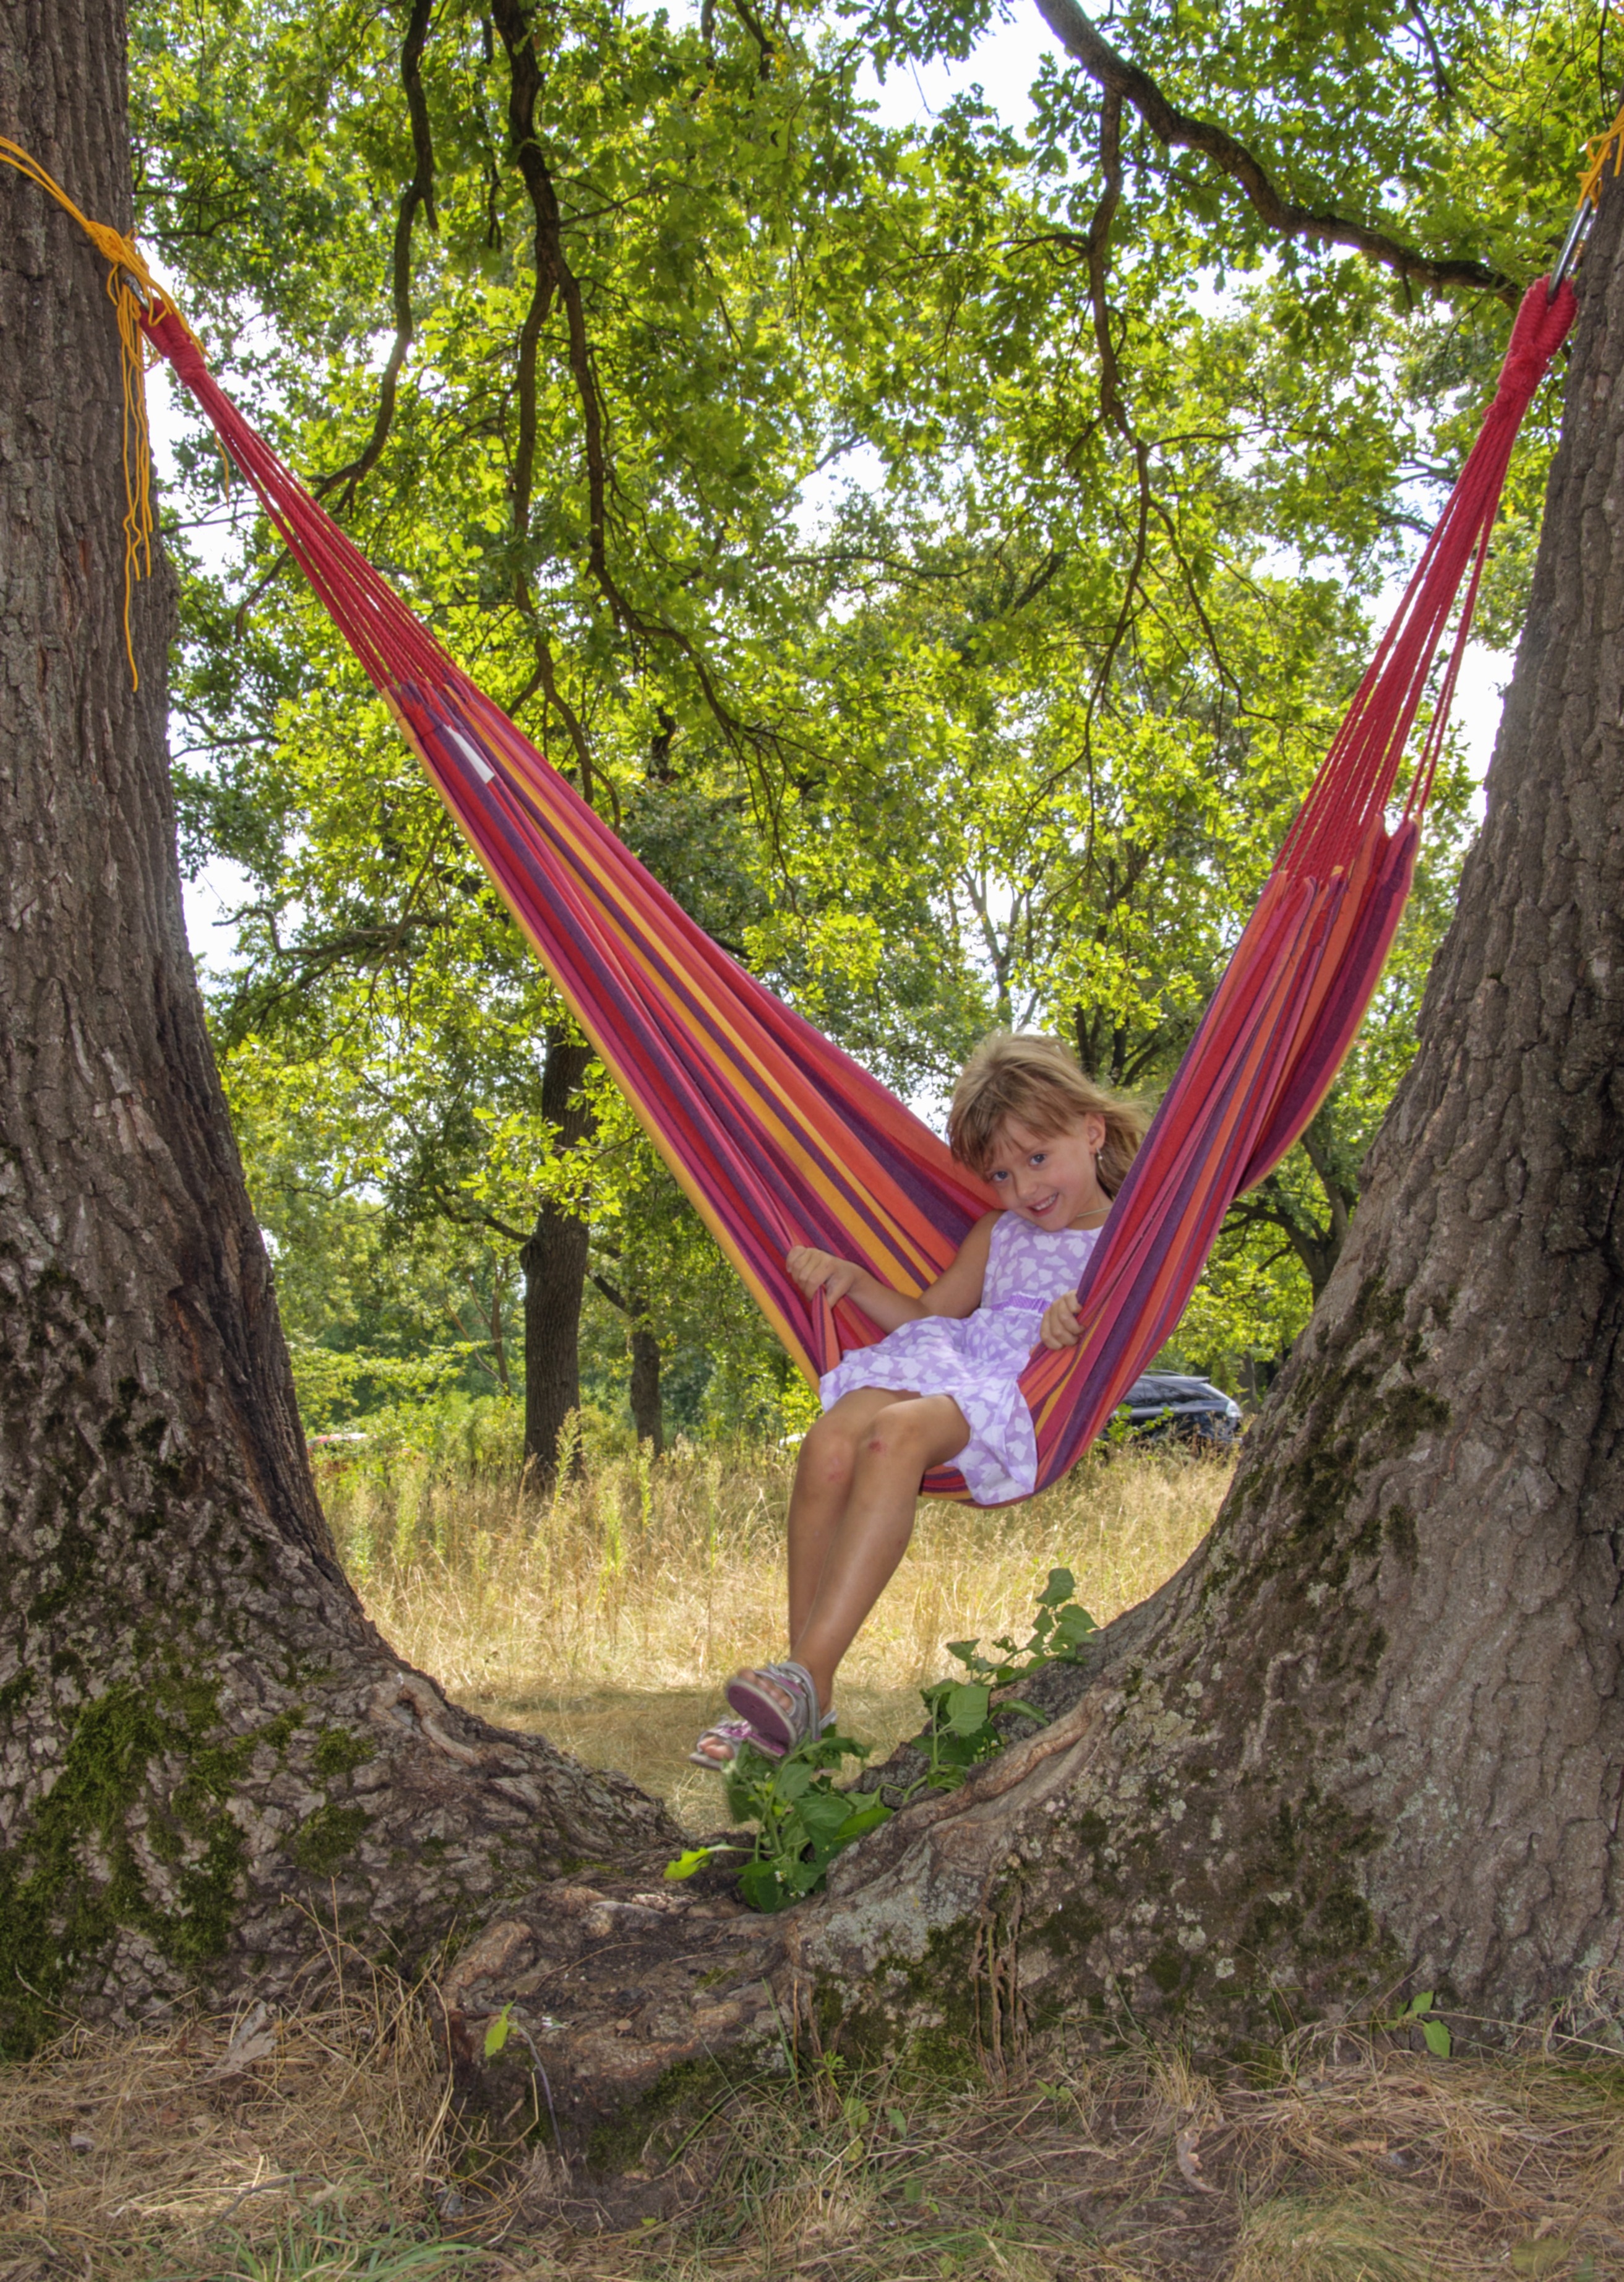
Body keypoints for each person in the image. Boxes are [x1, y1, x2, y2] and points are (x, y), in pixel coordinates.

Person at [691, 1032, 1146, 1768]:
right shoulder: (999, 1231)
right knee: (830, 1442)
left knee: (894, 1432)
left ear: (1092, 1131)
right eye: (1001, 1173)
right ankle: (803, 1684)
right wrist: (852, 1278)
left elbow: (1123, 1322)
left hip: (1017, 1387)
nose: (1025, 1189)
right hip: (950, 1357)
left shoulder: (1129, 1242)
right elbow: (932, 1314)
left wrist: (1074, 1322)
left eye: (1038, 1158)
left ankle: (804, 1680)